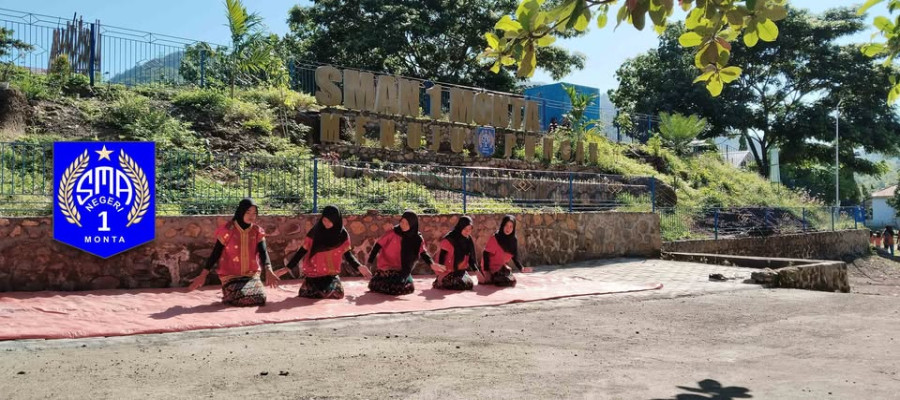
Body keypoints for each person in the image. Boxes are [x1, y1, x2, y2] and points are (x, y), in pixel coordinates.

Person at [188, 198, 280, 307]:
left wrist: (269, 270)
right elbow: (215, 253)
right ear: (241, 211)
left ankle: (232, 295)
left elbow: (263, 251)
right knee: (241, 297)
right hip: (231, 276)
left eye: (254, 213)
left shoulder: (257, 231)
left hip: (251, 275)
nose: (251, 216)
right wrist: (203, 275)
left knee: (260, 298)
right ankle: (228, 294)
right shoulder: (228, 230)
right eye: (248, 212)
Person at [286, 205, 366, 299]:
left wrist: (359, 266)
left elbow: (348, 254)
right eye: (324, 220)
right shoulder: (315, 231)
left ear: (336, 221)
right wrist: (288, 268)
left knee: (337, 294)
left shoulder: (342, 235)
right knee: (312, 293)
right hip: (314, 274)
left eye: (330, 221)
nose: (326, 223)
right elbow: (302, 250)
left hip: (331, 275)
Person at [366, 211, 438, 295]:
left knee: (403, 287)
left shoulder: (417, 238)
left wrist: (432, 264)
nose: (403, 225)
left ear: (412, 224)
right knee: (383, 285)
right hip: (386, 268)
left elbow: (423, 252)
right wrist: (369, 263)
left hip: (402, 270)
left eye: (406, 223)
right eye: (402, 222)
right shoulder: (392, 233)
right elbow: (377, 246)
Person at [433, 216, 482, 290]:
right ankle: (438, 282)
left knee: (469, 284)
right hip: (448, 271)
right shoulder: (450, 239)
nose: (467, 232)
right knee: (458, 283)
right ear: (460, 227)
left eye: (470, 229)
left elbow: (470, 258)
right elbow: (441, 257)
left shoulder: (468, 240)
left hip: (460, 271)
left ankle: (447, 282)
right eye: (465, 229)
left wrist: (477, 272)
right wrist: (440, 274)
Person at [481, 215, 532, 287]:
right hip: (489, 267)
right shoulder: (495, 238)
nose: (508, 228)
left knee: (512, 281)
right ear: (503, 225)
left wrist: (521, 268)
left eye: (511, 226)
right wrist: (486, 271)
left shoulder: (513, 240)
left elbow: (514, 255)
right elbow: (485, 253)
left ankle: (496, 276)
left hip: (500, 266)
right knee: (504, 281)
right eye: (506, 225)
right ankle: (487, 276)